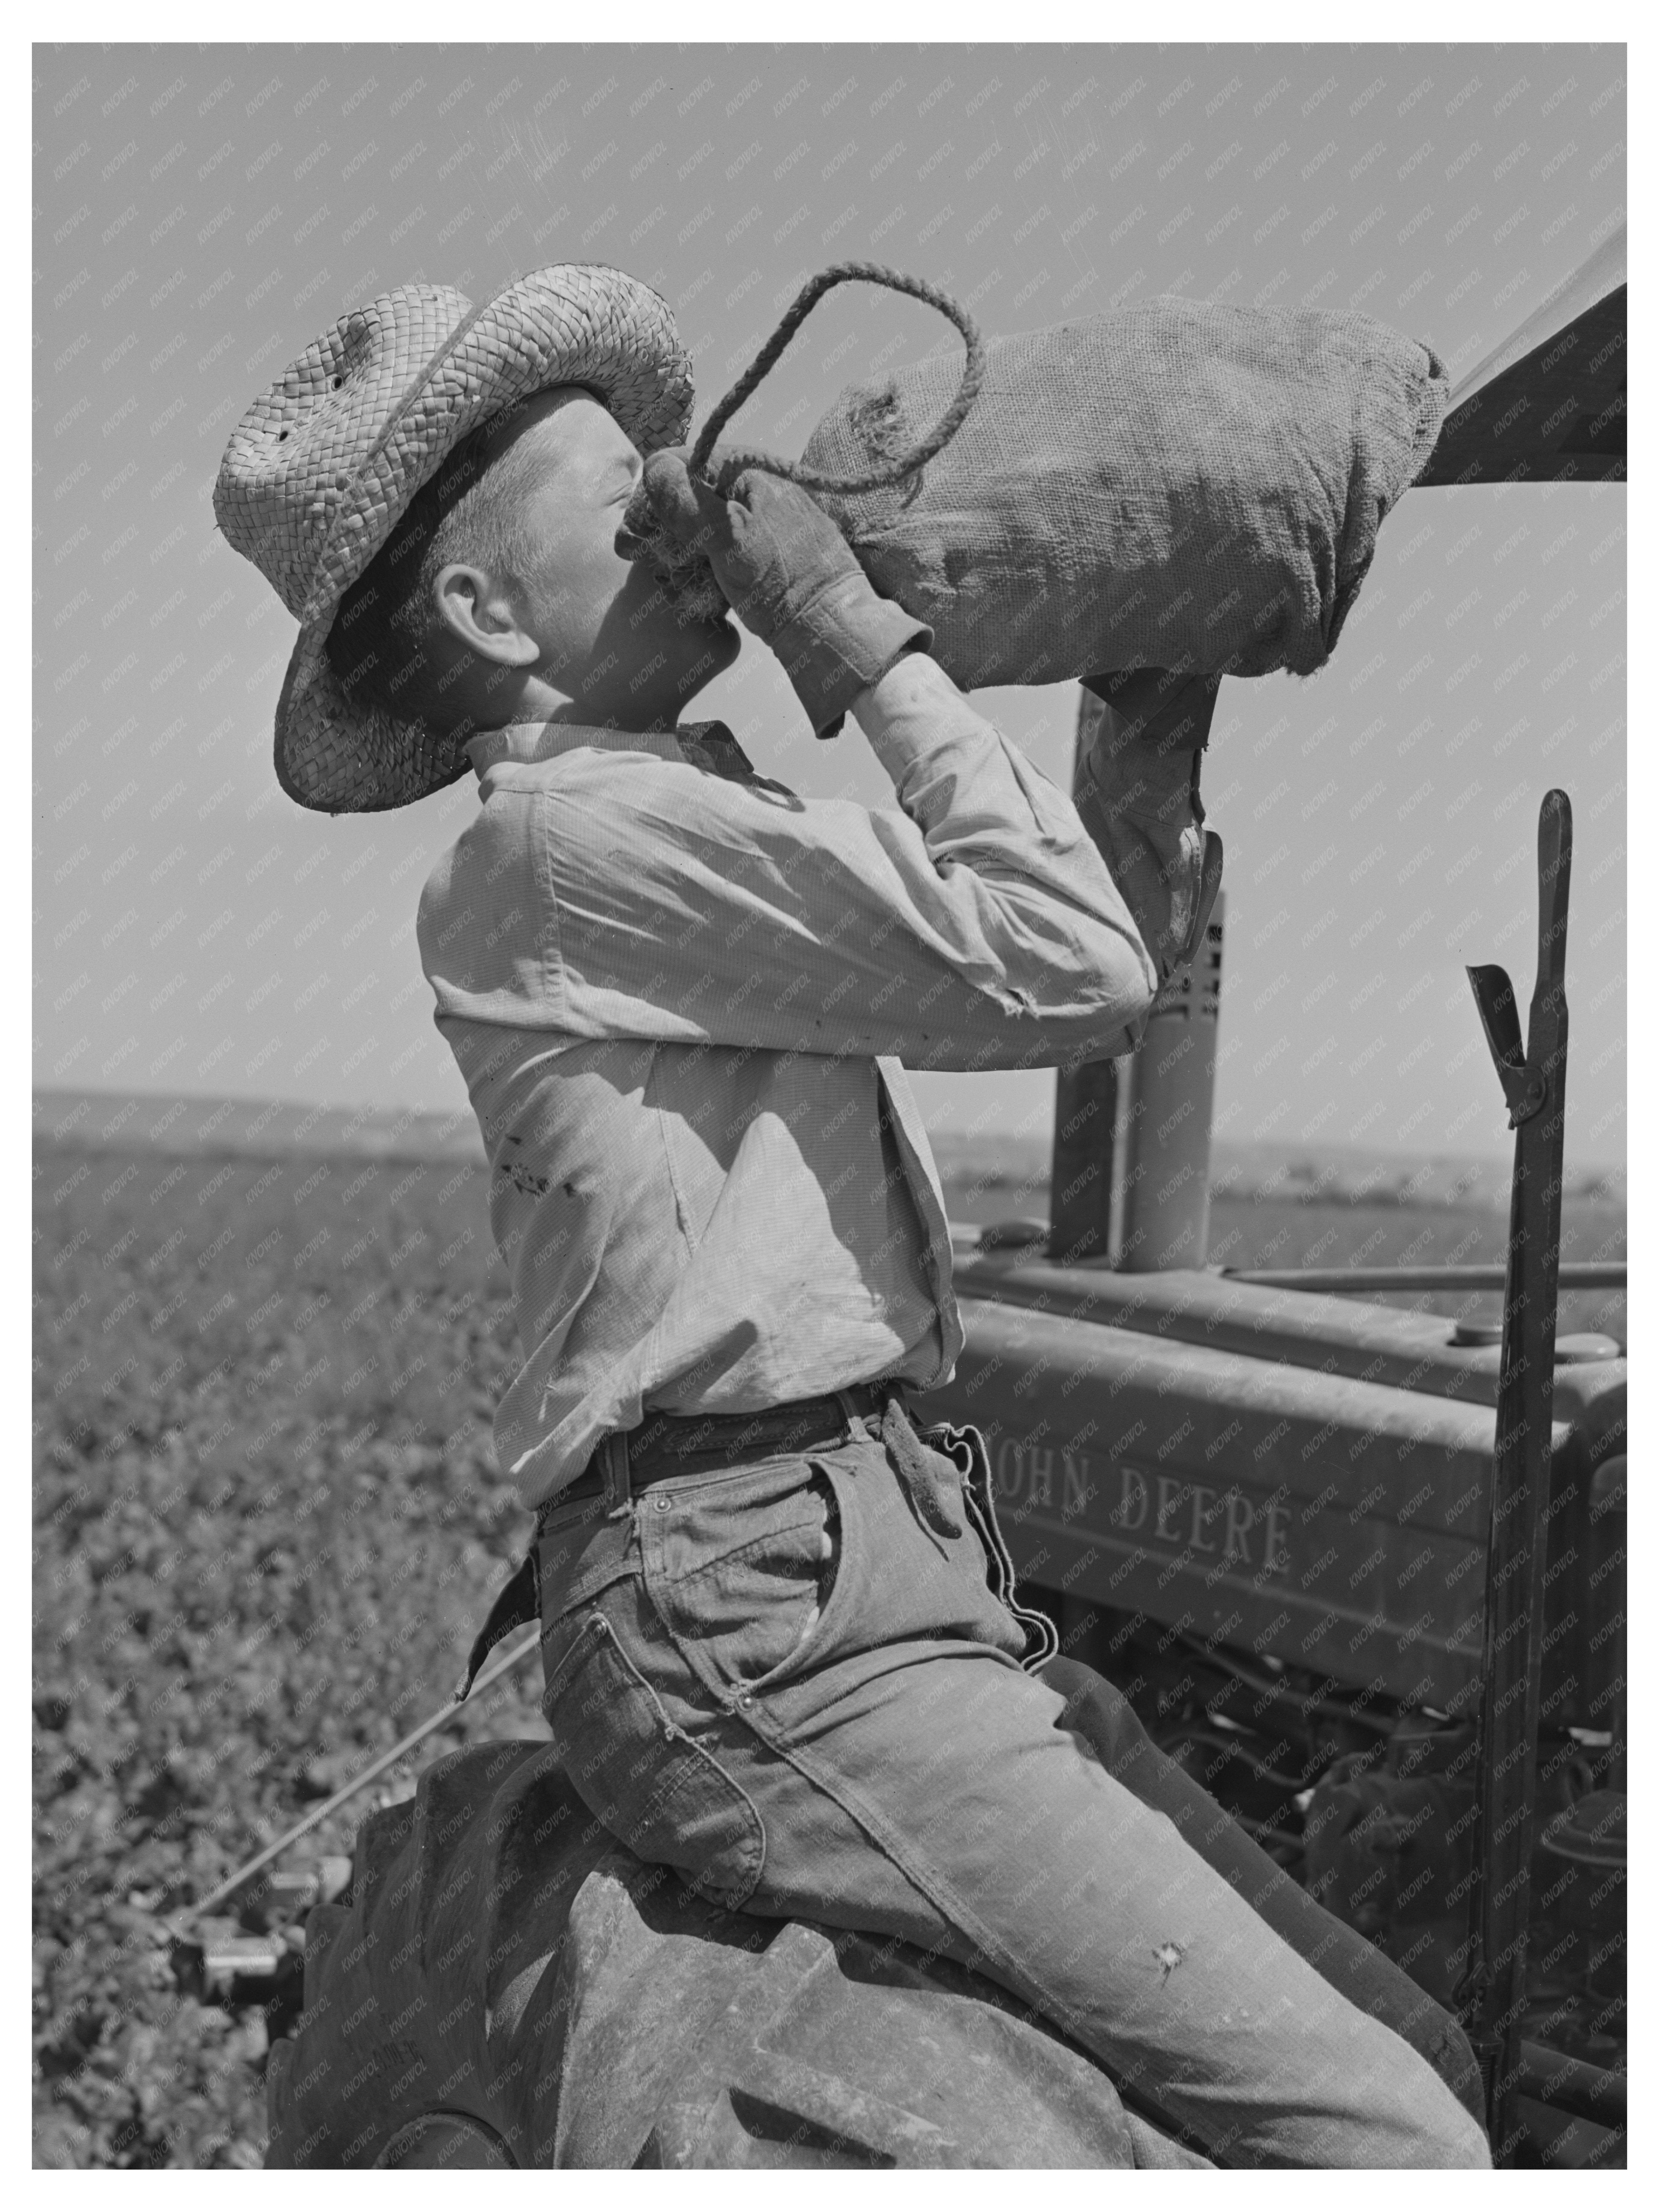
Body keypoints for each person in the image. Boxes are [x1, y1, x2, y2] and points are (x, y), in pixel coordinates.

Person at [216, 267, 1489, 2169]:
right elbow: (1063, 962)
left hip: (870, 1570)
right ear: (488, 613)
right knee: (1391, 2143)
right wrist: (861, 636)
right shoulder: (569, 845)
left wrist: (1139, 675)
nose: (683, 495)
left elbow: (1076, 945)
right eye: (624, 493)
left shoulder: (670, 812)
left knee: (1413, 2045)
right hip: (761, 1611)